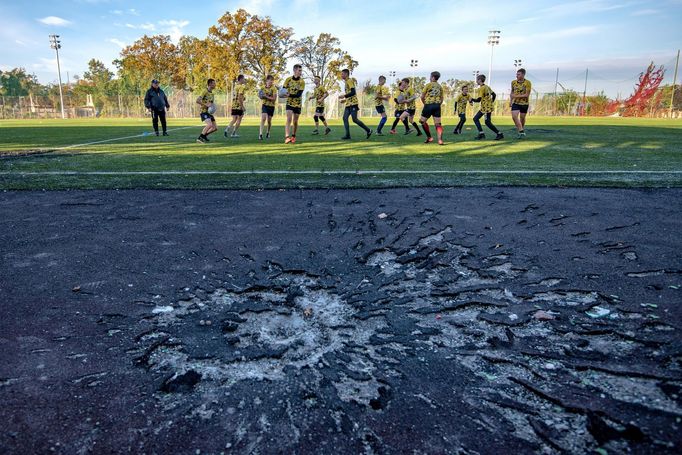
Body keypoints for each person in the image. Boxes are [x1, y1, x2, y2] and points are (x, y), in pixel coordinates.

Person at [339, 69, 372, 140]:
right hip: (348, 104)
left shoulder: (349, 81)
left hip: (353, 104)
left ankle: (368, 130)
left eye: (342, 74)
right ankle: (347, 135)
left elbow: (353, 92)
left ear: (346, 74)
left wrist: (344, 96)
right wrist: (345, 100)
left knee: (354, 119)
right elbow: (350, 94)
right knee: (345, 118)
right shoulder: (346, 82)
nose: (341, 75)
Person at [471, 74, 504, 140]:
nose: (476, 81)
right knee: (480, 120)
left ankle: (498, 134)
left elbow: (479, 100)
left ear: (480, 80)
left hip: (485, 108)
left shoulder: (481, 88)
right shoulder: (487, 87)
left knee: (482, 120)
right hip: (487, 107)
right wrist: (491, 102)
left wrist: (472, 99)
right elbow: (494, 95)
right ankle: (482, 133)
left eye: (477, 80)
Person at [419, 71, 445, 145]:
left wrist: (425, 104)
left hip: (428, 105)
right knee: (438, 124)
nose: (429, 78)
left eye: (430, 76)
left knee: (422, 121)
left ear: (433, 77)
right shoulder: (440, 86)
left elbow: (422, 96)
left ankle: (429, 137)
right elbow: (442, 98)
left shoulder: (428, 85)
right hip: (437, 105)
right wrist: (438, 104)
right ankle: (440, 140)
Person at [282, 64, 305, 144]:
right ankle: (287, 137)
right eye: (299, 70)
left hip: (298, 104)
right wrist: (282, 93)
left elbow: (299, 94)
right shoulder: (288, 79)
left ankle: (293, 136)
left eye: (301, 70)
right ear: (294, 70)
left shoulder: (302, 81)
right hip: (289, 103)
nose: (300, 72)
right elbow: (283, 90)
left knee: (295, 121)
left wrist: (289, 95)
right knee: (289, 119)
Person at [510, 68, 531, 138]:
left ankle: (521, 130)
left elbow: (526, 95)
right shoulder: (513, 82)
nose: (517, 76)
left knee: (522, 118)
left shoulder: (528, 83)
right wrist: (511, 100)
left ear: (523, 75)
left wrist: (515, 96)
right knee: (514, 116)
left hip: (524, 104)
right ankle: (521, 131)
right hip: (515, 103)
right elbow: (512, 92)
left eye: (518, 74)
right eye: (516, 74)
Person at [196, 78, 218, 143]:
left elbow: (211, 104)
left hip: (209, 113)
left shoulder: (212, 94)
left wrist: (213, 107)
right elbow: (197, 100)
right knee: (209, 125)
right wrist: (205, 105)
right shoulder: (204, 91)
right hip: (204, 111)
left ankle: (204, 136)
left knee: (215, 128)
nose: (215, 84)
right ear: (210, 84)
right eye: (214, 83)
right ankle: (200, 138)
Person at [259, 75, 277, 140]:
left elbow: (274, 99)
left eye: (272, 81)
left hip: (271, 106)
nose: (271, 82)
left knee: (269, 121)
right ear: (267, 81)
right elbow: (260, 96)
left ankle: (268, 132)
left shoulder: (274, 88)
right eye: (270, 80)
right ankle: (260, 134)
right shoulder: (262, 88)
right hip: (265, 105)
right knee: (263, 118)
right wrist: (261, 96)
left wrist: (266, 96)